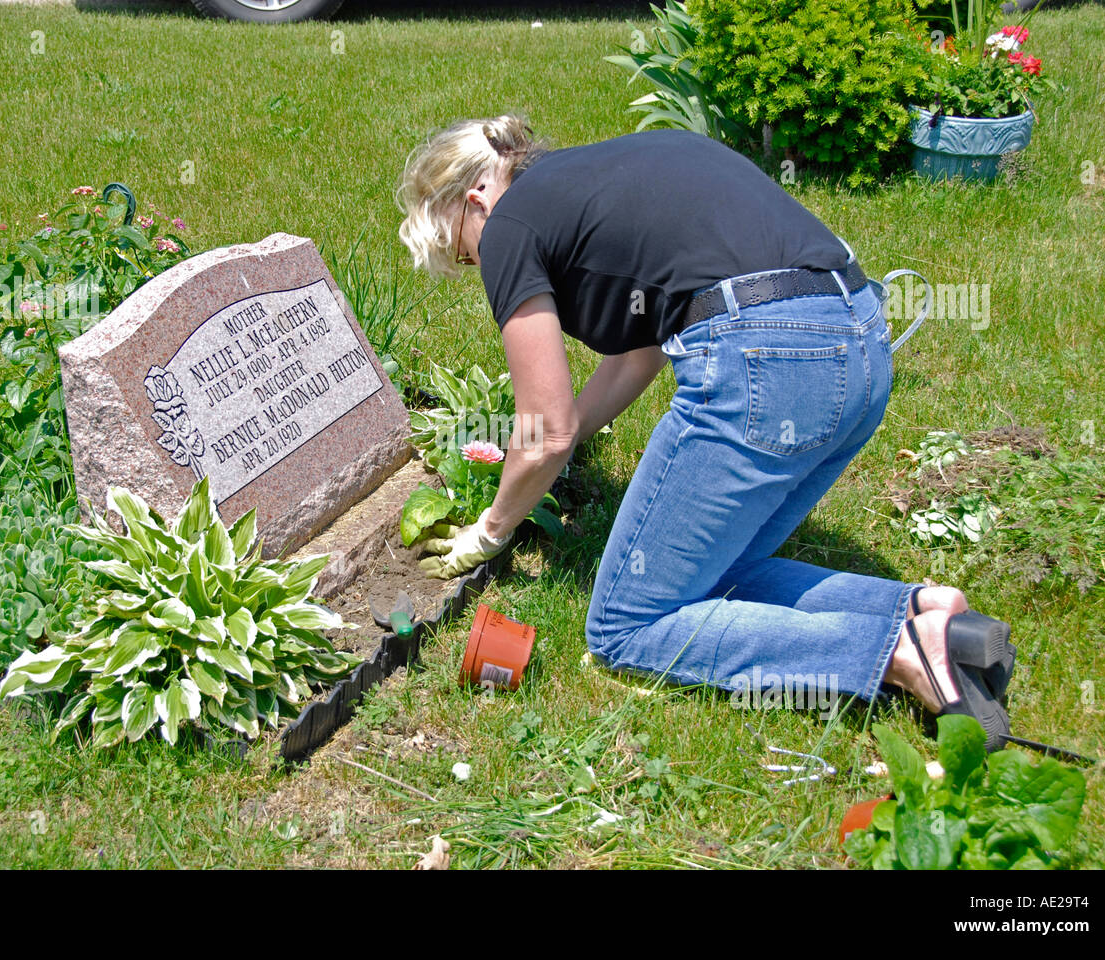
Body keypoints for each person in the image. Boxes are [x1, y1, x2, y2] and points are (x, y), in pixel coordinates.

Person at [396, 115, 1014, 749]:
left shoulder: (511, 222)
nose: (477, 263)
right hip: (860, 344)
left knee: (623, 627)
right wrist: (568, 444)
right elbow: (637, 356)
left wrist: (492, 530)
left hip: (767, 365)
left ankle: (896, 653)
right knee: (719, 573)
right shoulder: (617, 166)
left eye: (464, 250)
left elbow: (543, 426)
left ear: (475, 200)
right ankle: (924, 612)